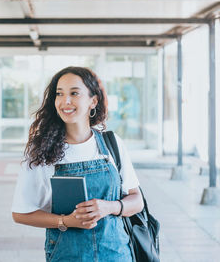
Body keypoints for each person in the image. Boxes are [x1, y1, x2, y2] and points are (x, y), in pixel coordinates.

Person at [11, 66, 144, 262]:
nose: (65, 101)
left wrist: (110, 207)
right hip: (67, 256)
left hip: (117, 254)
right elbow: (21, 213)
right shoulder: (40, 152)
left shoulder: (111, 144)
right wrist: (65, 221)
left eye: (74, 93)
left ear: (93, 100)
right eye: (59, 94)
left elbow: (137, 201)